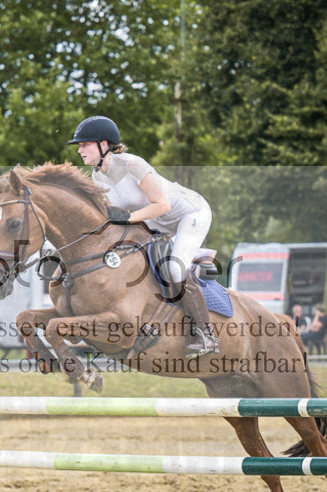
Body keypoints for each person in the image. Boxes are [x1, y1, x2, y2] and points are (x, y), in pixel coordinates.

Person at [68, 115, 219, 357]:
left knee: (175, 269)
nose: (80, 150)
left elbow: (162, 205)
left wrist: (127, 219)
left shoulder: (132, 164)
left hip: (190, 214)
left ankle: (207, 335)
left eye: (85, 144)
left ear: (104, 144)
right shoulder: (97, 177)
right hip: (156, 223)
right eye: (80, 146)